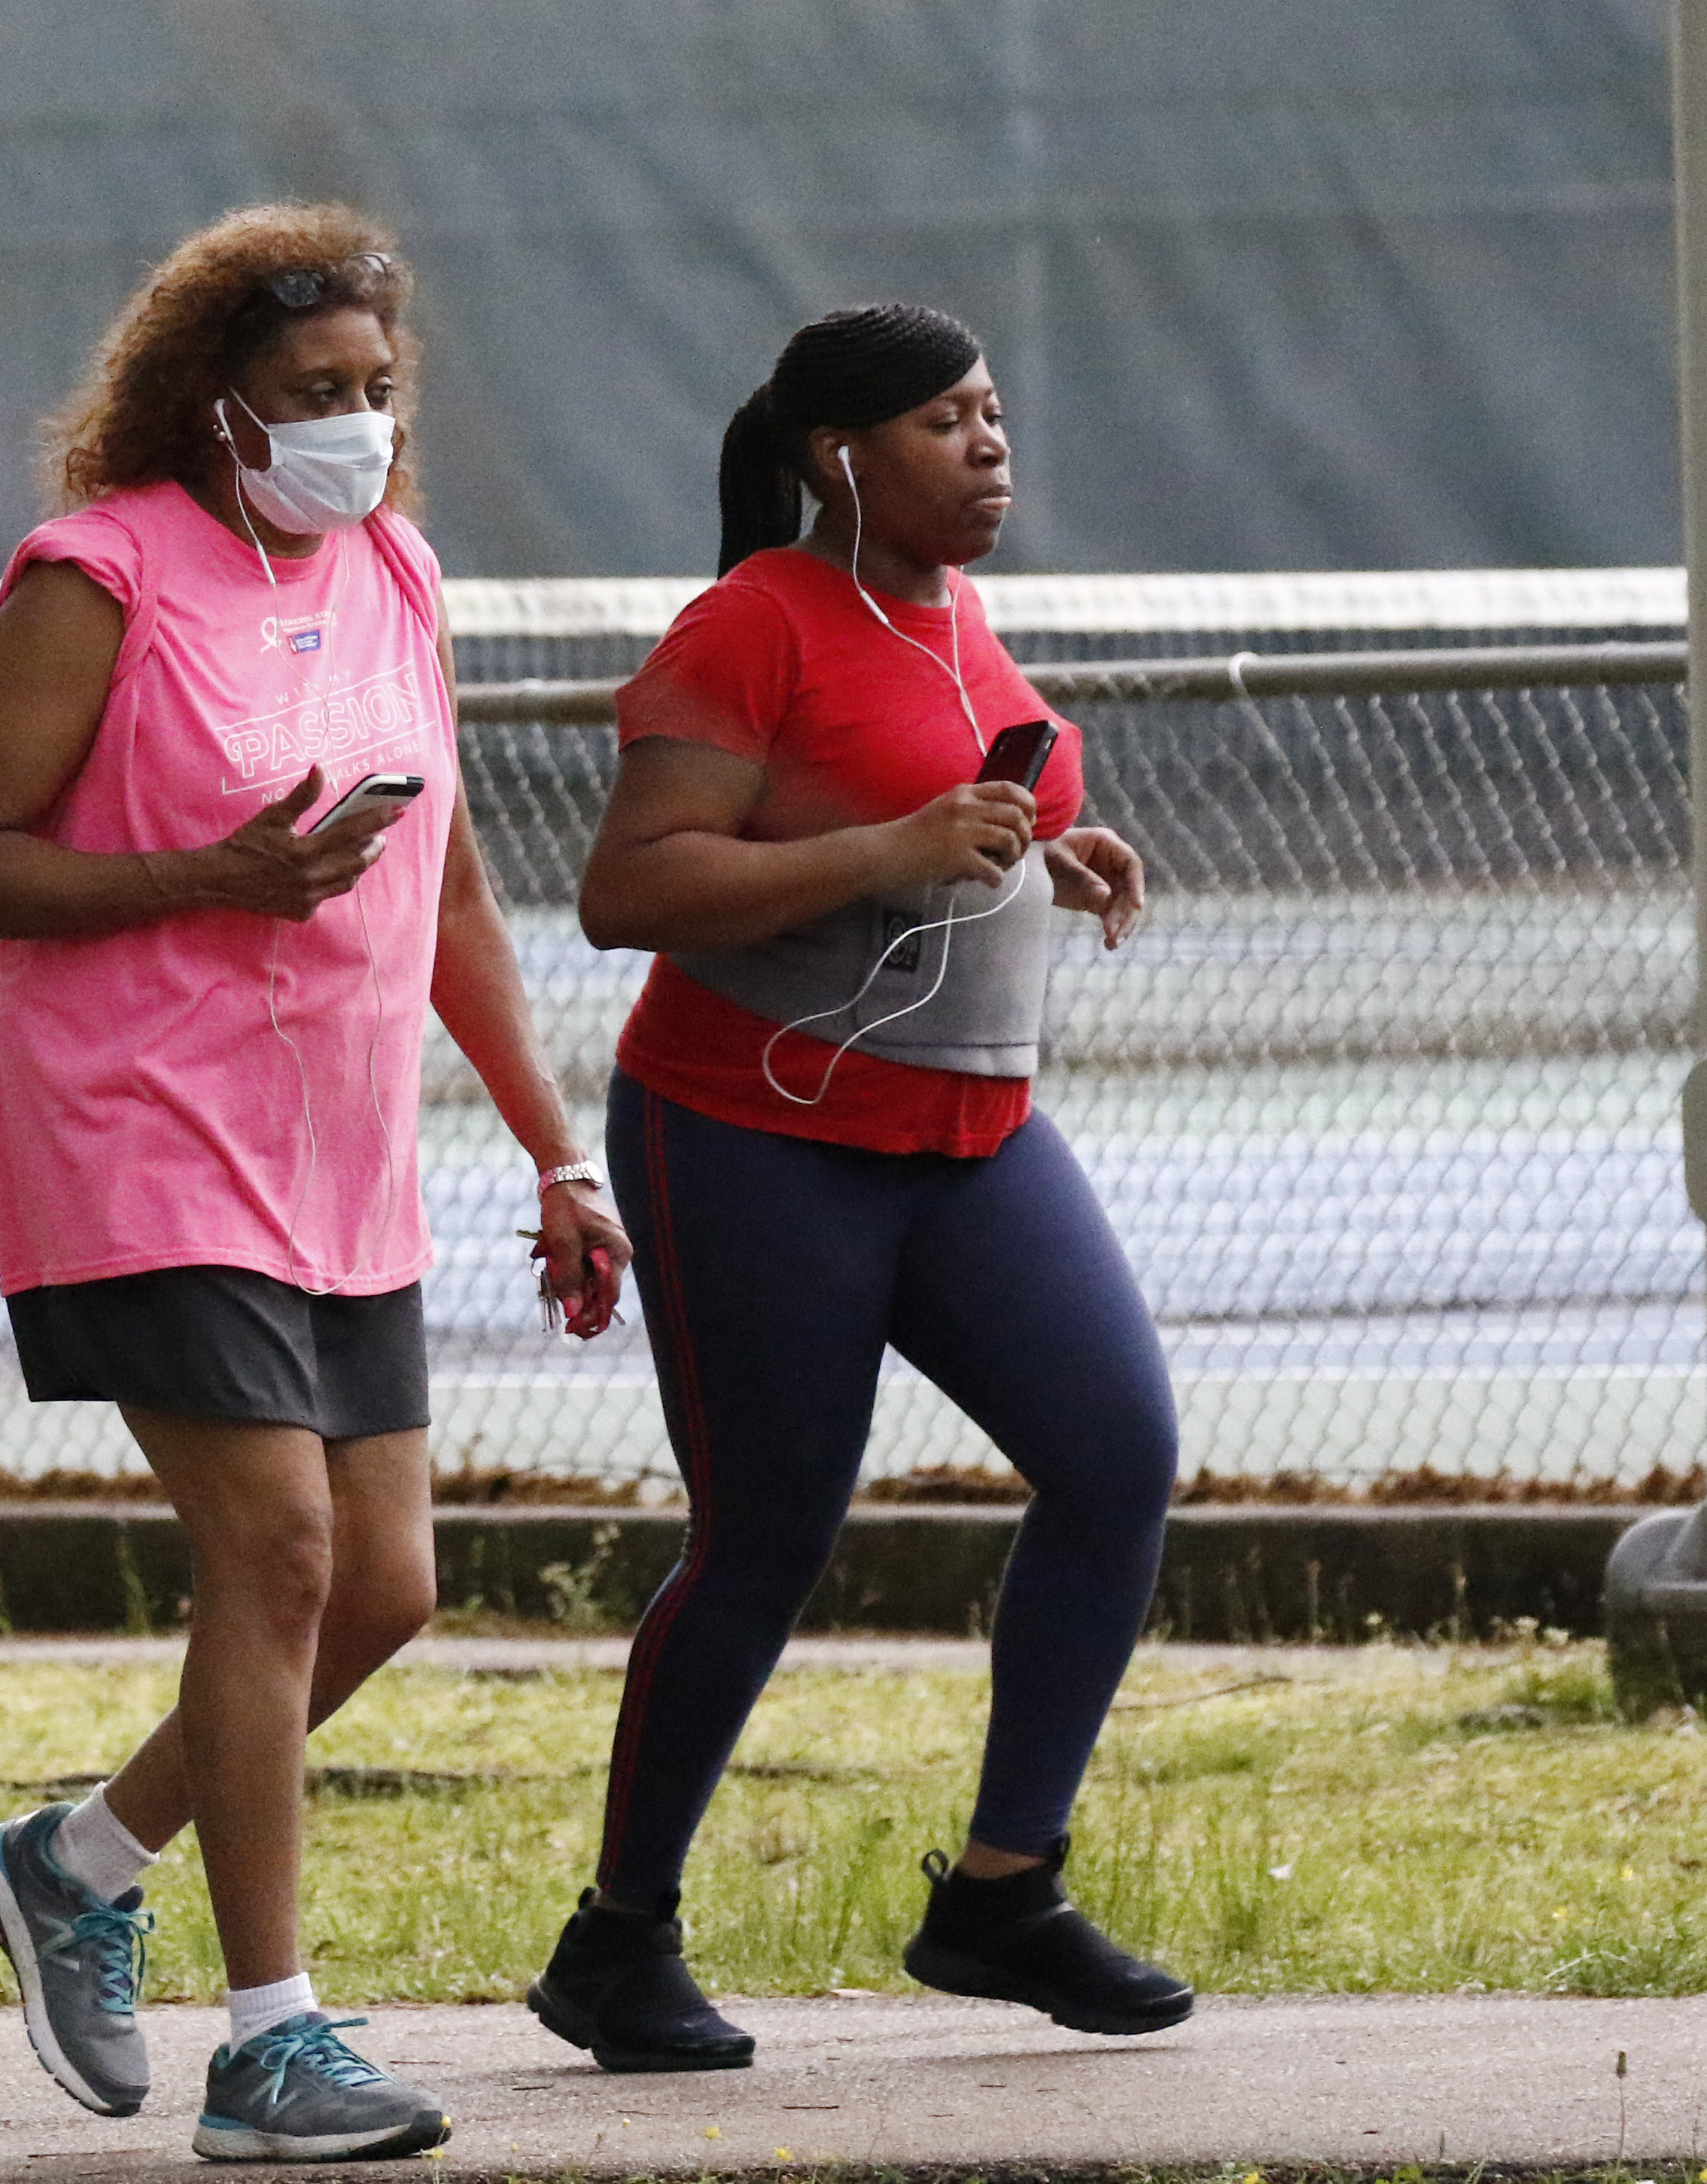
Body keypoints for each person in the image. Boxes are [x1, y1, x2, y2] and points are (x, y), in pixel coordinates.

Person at [0, 203, 627, 2164]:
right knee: (282, 1551)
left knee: (384, 1584)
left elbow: (449, 882)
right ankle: (273, 2040)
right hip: (142, 1130)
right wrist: (200, 877)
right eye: (316, 397)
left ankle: (79, 1858)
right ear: (215, 406)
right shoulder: (96, 578)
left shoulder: (395, 565)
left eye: (379, 392)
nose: (358, 428)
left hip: (341, 1152)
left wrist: (559, 1144)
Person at [521, 303, 1185, 2073]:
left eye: (995, 412)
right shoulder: (751, 625)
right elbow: (631, 886)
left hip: (966, 1138)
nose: (991, 445)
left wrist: (1045, 854)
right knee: (765, 1536)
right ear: (840, 454)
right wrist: (893, 845)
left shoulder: (954, 617)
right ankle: (619, 1939)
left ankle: (999, 1889)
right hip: (749, 1134)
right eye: (948, 418)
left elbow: (937, 818)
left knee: (1117, 1456)